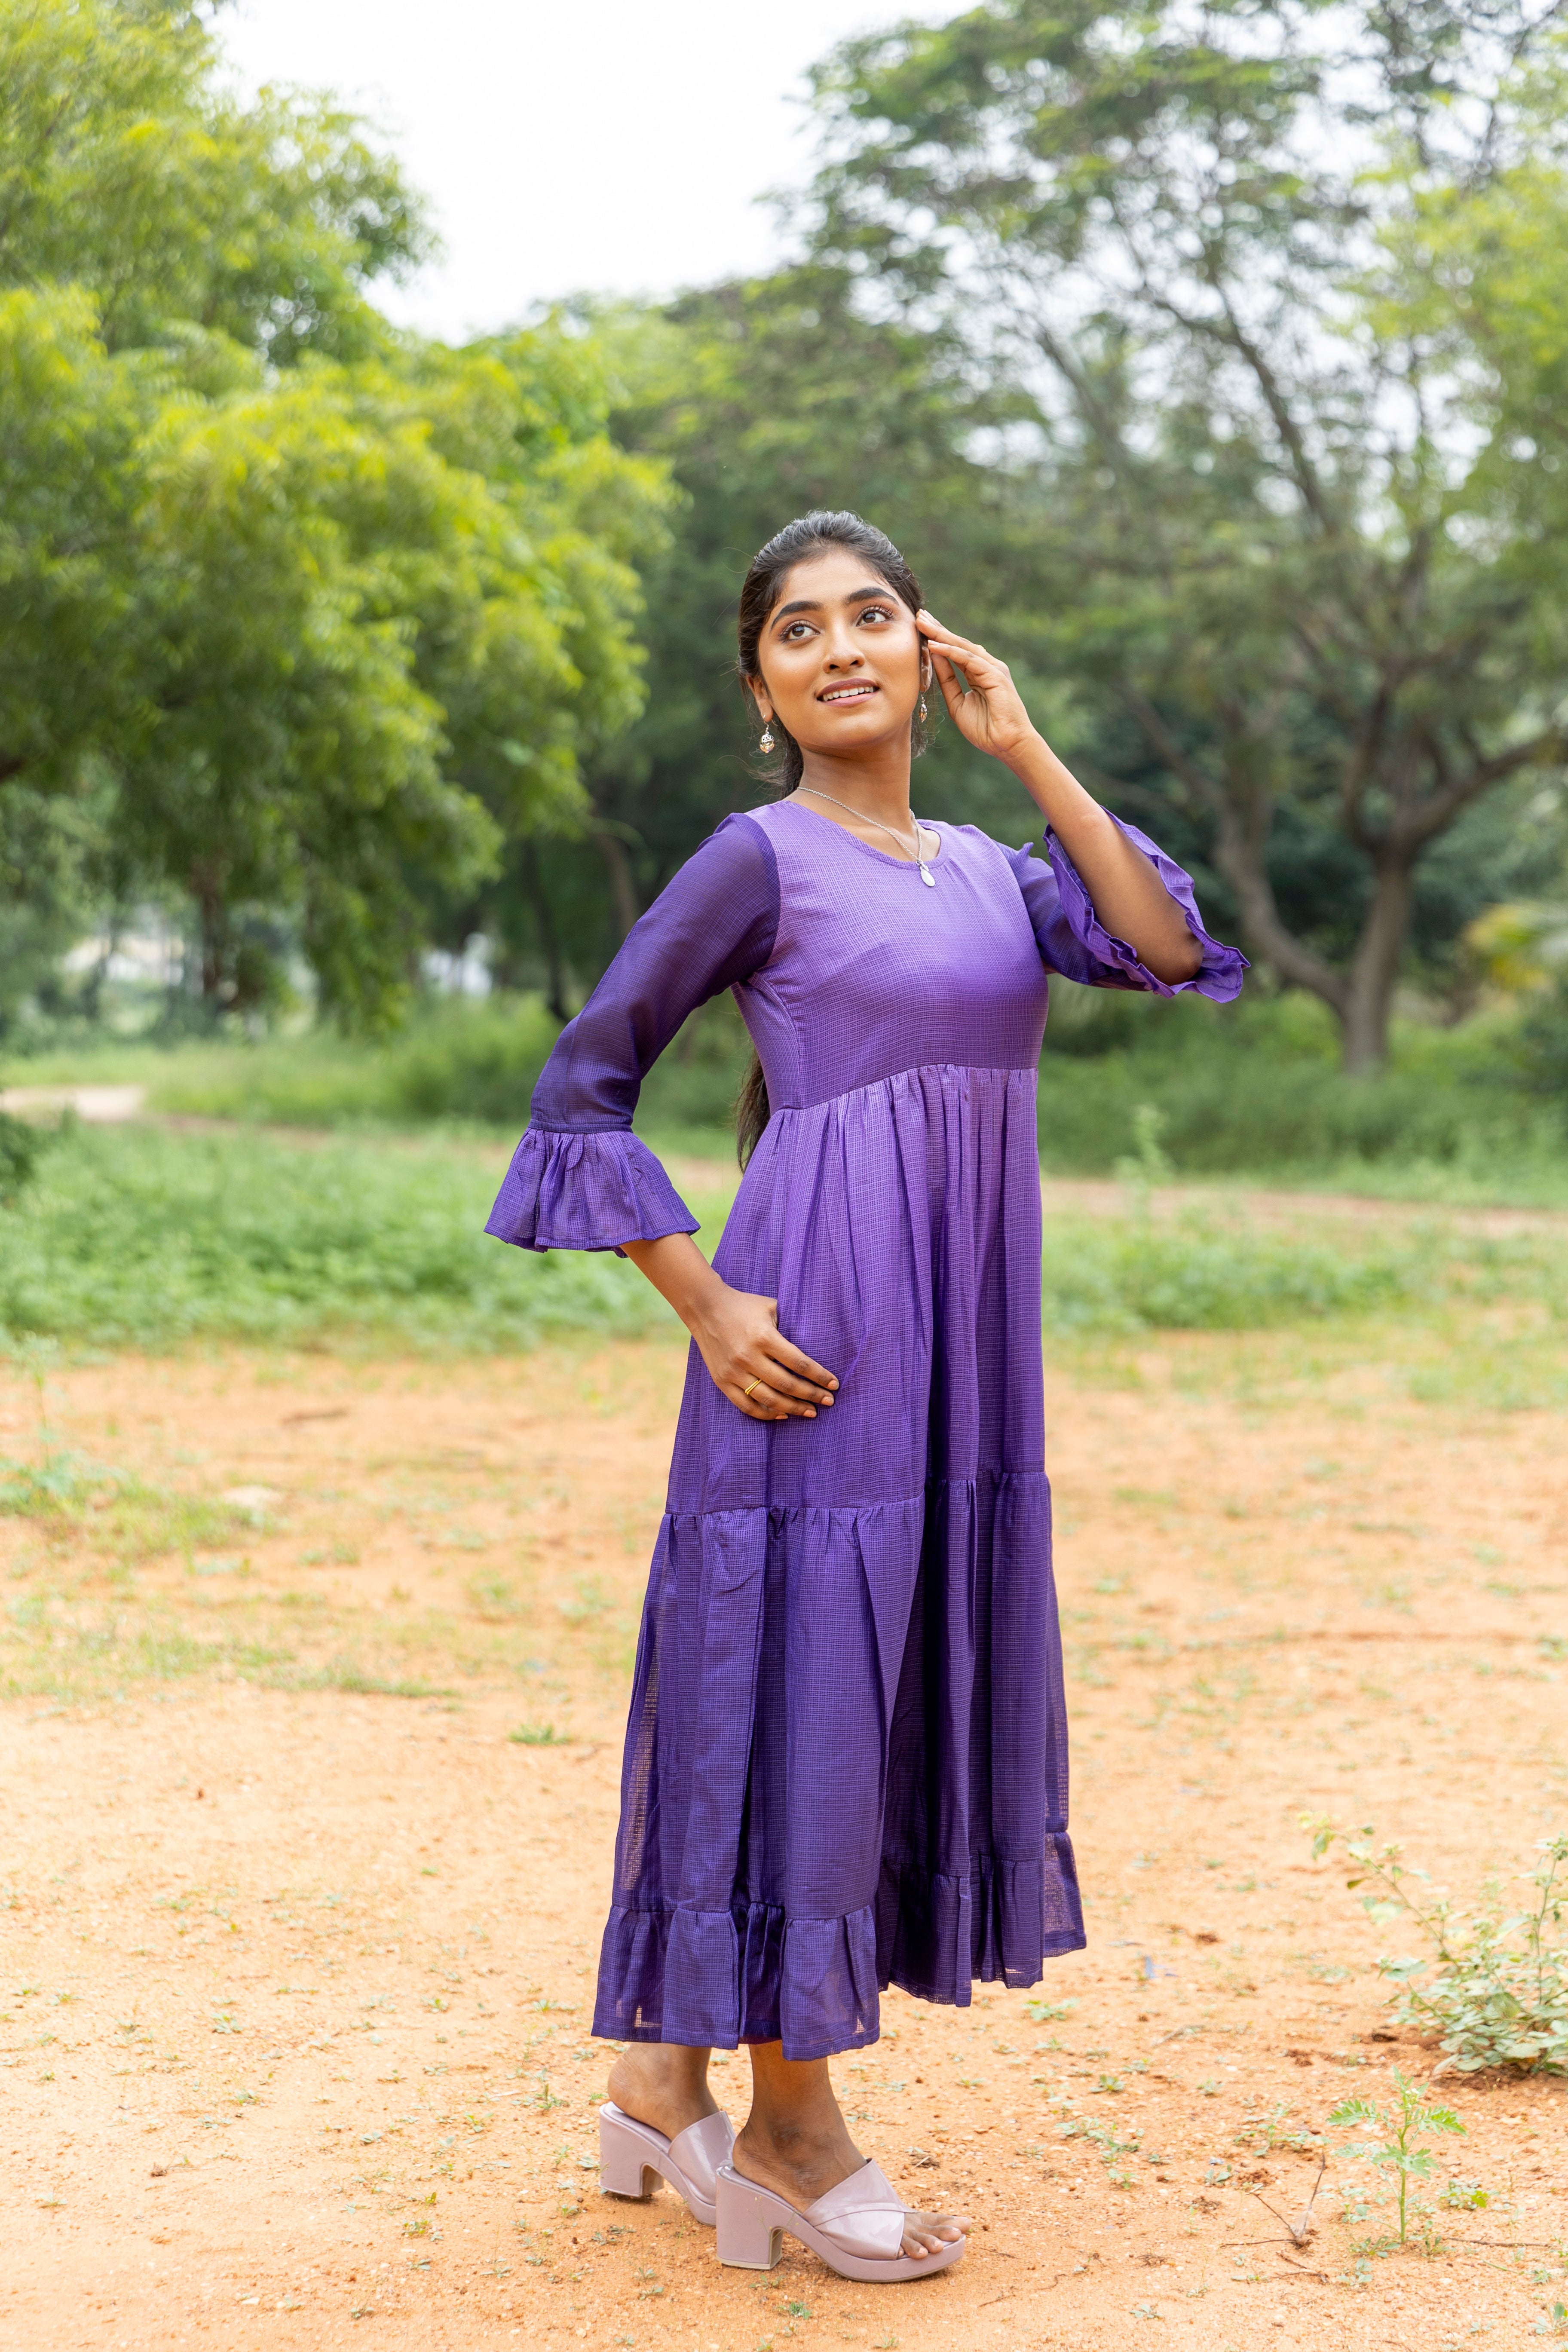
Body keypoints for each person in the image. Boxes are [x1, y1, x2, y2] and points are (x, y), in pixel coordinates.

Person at [487, 510, 1245, 2282]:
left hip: (965, 1350)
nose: (841, 647)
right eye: (800, 630)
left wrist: (1026, 746)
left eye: (874, 615)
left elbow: (1158, 942)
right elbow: (581, 1088)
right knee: (807, 1694)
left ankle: (656, 2079)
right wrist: (702, 1301)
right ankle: (791, 2133)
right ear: (760, 688)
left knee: (879, 1678)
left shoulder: (989, 866)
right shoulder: (753, 862)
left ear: (927, 649)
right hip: (816, 1340)